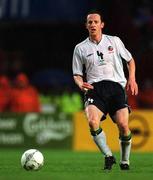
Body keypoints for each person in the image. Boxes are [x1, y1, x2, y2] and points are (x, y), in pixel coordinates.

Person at [72, 10, 138, 170]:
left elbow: (130, 60)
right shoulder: (80, 48)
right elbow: (77, 74)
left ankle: (125, 161)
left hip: (115, 87)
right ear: (86, 26)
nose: (93, 24)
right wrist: (81, 84)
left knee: (123, 125)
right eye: (90, 22)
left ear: (102, 25)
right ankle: (108, 155)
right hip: (95, 89)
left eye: (95, 22)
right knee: (92, 121)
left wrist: (132, 78)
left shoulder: (114, 41)